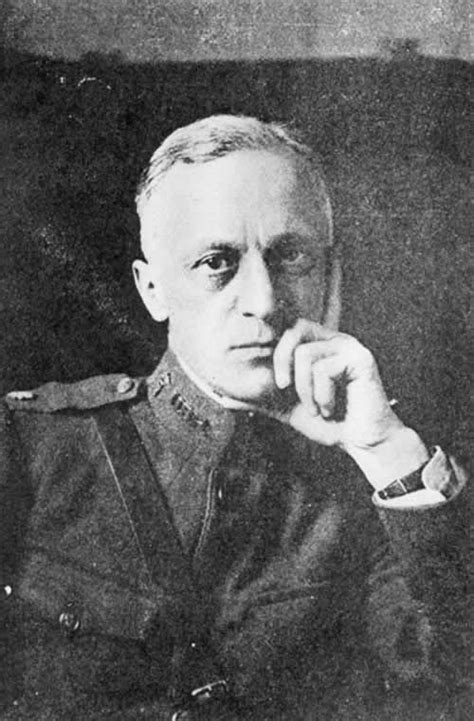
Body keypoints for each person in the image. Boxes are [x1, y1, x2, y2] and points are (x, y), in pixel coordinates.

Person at [0, 115, 470, 720]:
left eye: (291, 256)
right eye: (216, 262)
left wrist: (386, 450)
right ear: (152, 289)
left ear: (332, 277)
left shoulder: (378, 488)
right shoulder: (32, 449)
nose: (264, 301)